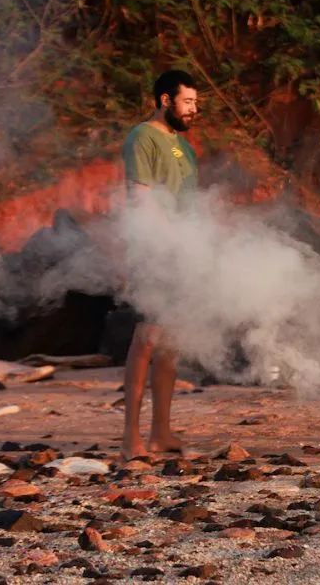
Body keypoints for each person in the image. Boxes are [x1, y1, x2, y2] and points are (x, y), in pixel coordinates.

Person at [120, 69, 200, 460]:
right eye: (187, 102)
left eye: (196, 103)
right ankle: (130, 438)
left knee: (172, 341)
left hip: (183, 250)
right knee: (147, 337)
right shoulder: (143, 136)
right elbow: (141, 198)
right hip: (154, 250)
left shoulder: (184, 148)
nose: (193, 110)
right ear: (165, 100)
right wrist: (170, 242)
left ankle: (161, 433)